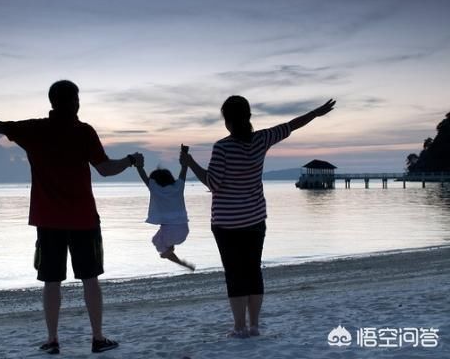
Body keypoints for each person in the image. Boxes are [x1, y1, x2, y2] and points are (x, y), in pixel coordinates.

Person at [0, 80, 141, 354]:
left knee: (52, 281)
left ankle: (53, 340)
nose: (77, 103)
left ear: (53, 102)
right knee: (90, 279)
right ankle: (97, 338)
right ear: (74, 102)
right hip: (83, 219)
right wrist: (130, 160)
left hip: (48, 220)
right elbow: (105, 169)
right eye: (76, 99)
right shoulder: (83, 132)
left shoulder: (35, 129)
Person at [180, 95, 335, 338]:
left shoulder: (222, 147)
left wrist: (190, 163)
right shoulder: (261, 139)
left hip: (226, 223)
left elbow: (213, 183)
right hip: (255, 219)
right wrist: (316, 113)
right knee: (253, 271)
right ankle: (254, 325)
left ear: (227, 121)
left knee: (235, 274)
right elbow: (291, 126)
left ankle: (239, 327)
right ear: (249, 116)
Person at [134, 145, 195, 270]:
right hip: (184, 230)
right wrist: (184, 154)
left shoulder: (155, 189)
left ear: (154, 181)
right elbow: (184, 169)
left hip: (170, 232)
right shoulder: (178, 187)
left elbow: (144, 176)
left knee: (158, 243)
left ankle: (178, 260)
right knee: (160, 241)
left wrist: (139, 166)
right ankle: (170, 249)